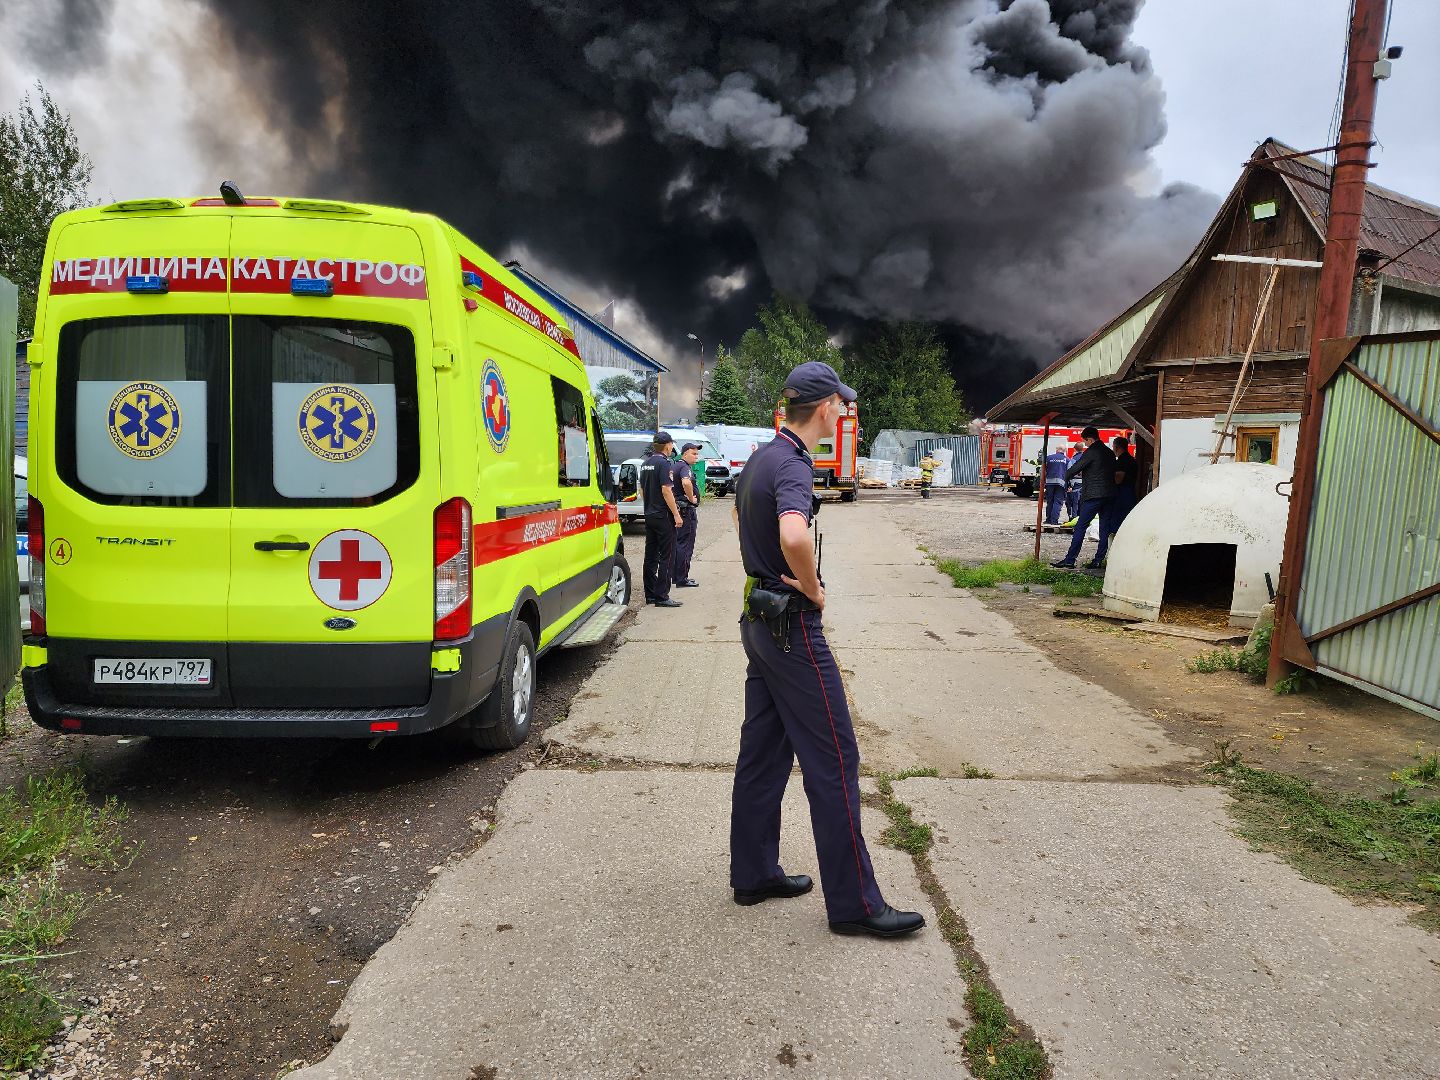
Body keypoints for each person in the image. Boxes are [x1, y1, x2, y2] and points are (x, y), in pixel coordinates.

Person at [729, 360, 925, 940]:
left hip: (759, 622)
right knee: (836, 761)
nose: (844, 411)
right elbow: (793, 532)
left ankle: (755, 872)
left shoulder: (762, 457)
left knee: (762, 755)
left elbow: (744, 516)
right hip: (791, 630)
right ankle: (855, 905)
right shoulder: (792, 463)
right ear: (823, 409)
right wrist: (813, 588)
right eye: (840, 403)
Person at [1052, 427, 1116, 570]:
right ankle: (1098, 560)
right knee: (1104, 528)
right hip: (1110, 494)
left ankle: (1070, 560)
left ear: (1090, 439)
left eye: (1085, 441)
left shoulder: (1092, 451)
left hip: (1093, 495)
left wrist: (1065, 478)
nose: (1084, 444)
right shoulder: (1109, 452)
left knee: (1081, 526)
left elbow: (1075, 468)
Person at [640, 431, 684, 607]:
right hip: (663, 516)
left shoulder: (646, 463)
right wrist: (676, 514)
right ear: (667, 445)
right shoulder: (664, 463)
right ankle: (662, 596)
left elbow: (642, 490)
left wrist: (649, 506)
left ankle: (650, 594)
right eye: (671, 444)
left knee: (650, 555)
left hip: (650, 514)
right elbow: (666, 490)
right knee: (667, 555)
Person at [673, 443, 702, 587]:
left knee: (678, 543)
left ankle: (675, 575)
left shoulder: (674, 466)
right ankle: (681, 578)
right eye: (693, 454)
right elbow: (686, 482)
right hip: (685, 510)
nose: (696, 456)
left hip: (678, 509)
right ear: (685, 454)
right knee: (685, 544)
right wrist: (691, 498)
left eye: (697, 454)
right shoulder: (684, 467)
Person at [1104, 436, 1139, 541]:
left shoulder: (1122, 461)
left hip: (1122, 495)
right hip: (1130, 493)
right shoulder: (1132, 460)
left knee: (1117, 524)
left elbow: (1118, 479)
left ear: (1116, 447)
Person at [1043, 444, 1070, 524]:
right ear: (1064, 451)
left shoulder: (1049, 458)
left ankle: (1048, 520)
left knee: (1050, 501)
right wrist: (1069, 485)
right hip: (1061, 483)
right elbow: (1070, 472)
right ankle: (1054, 521)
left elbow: (1043, 470)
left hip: (1049, 482)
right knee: (1057, 502)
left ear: (1056, 449)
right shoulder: (1067, 460)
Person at [1064, 446, 1082, 521]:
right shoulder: (1087, 458)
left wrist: (1068, 485)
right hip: (1086, 483)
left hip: (1075, 483)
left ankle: (1073, 518)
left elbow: (1069, 472)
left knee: (1074, 502)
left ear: (1075, 449)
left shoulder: (1073, 460)